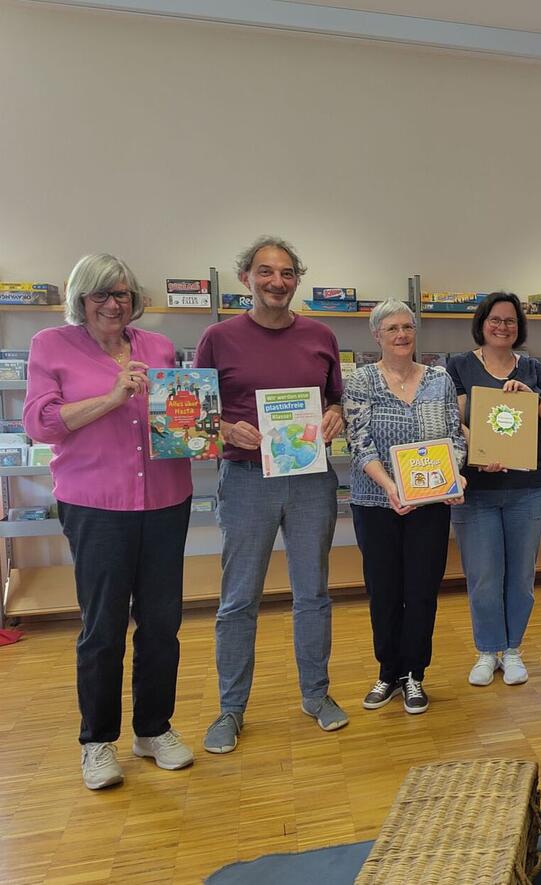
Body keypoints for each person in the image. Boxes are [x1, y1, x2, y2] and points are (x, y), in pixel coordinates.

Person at [24, 254, 194, 789]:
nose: (112, 304)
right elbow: (40, 425)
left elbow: (177, 415)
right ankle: (97, 742)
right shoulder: (50, 345)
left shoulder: (159, 348)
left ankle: (153, 729)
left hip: (166, 500)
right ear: (80, 298)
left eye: (121, 294)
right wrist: (111, 397)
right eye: (101, 294)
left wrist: (200, 428)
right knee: (102, 629)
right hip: (96, 505)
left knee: (163, 623)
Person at [196, 236, 347, 754]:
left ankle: (316, 696)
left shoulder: (321, 336)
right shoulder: (218, 337)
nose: (276, 282)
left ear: (296, 280)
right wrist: (224, 430)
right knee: (239, 600)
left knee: (314, 595)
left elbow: (336, 402)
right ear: (246, 279)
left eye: (286, 273)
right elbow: (193, 415)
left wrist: (335, 417)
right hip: (245, 481)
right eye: (265, 272)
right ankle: (230, 710)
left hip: (310, 480)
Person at [345, 300, 466, 714]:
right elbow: (357, 441)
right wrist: (390, 486)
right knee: (383, 591)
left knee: (421, 591)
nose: (402, 335)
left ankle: (414, 674)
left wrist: (457, 473)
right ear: (376, 335)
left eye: (408, 327)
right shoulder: (362, 381)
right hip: (376, 502)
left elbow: (455, 436)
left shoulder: (439, 379)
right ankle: (387, 672)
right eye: (393, 328)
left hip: (431, 503)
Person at [446, 293, 541, 687]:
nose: (503, 327)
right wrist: (481, 448)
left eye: (511, 321)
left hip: (526, 489)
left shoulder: (532, 368)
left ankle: (512, 650)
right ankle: (487, 651)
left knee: (520, 577)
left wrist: (531, 399)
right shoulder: (460, 366)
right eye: (496, 320)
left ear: (520, 326)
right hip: (477, 488)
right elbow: (451, 418)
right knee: (483, 575)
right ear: (482, 323)